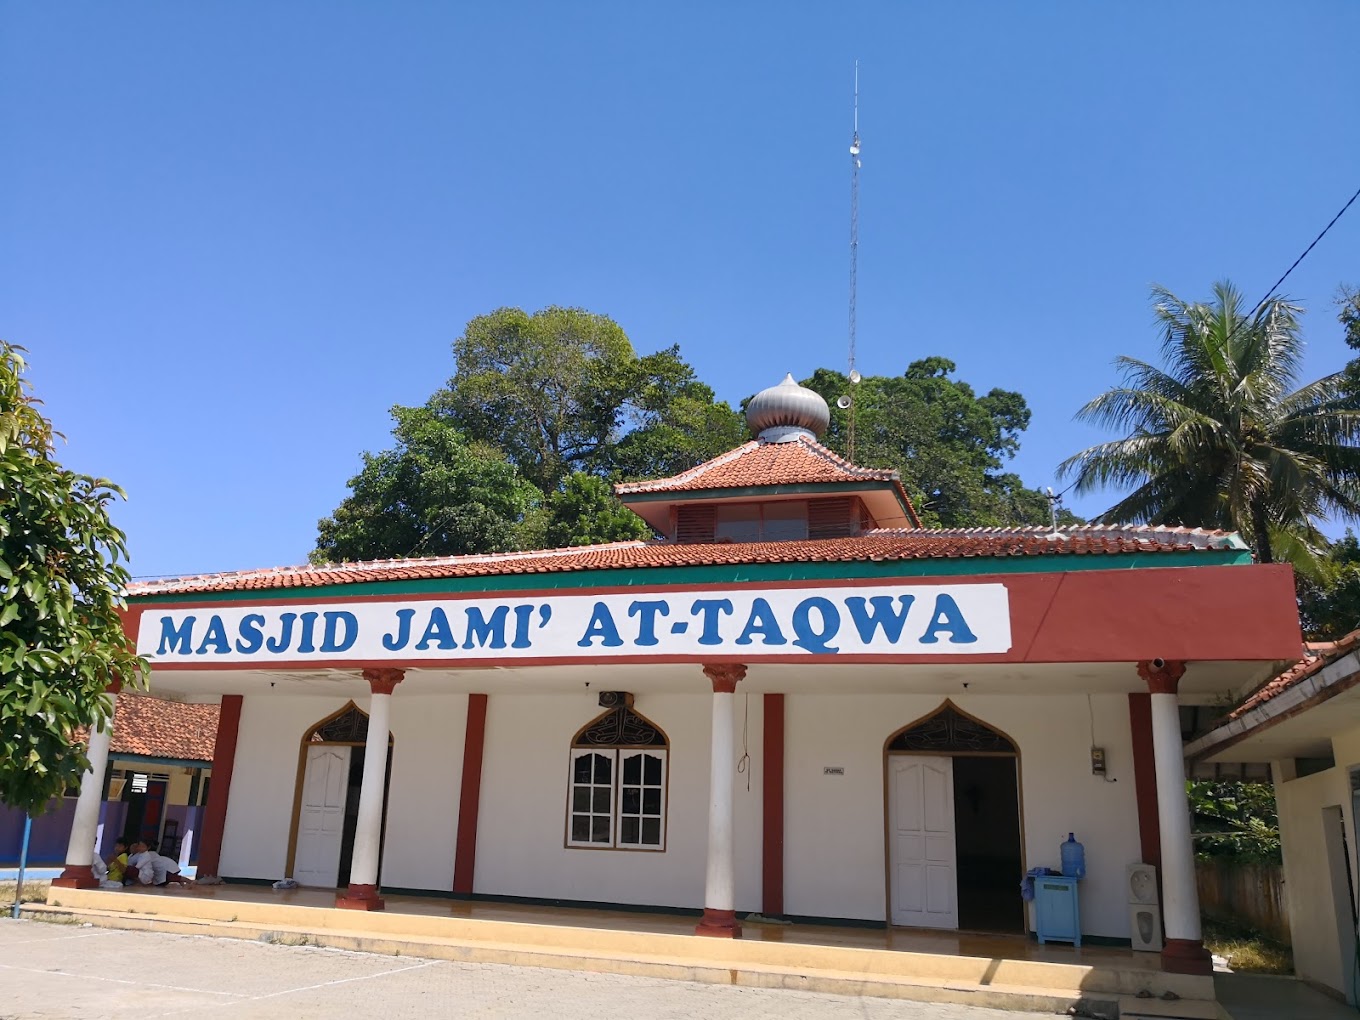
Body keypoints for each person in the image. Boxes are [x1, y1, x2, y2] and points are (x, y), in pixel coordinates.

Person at [126, 842, 193, 888]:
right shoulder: (134, 855)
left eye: (140, 846)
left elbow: (138, 866)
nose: (137, 848)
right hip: (161, 869)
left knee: (171, 877)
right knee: (171, 878)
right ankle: (186, 883)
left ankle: (190, 881)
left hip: (167, 867)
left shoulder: (148, 854)